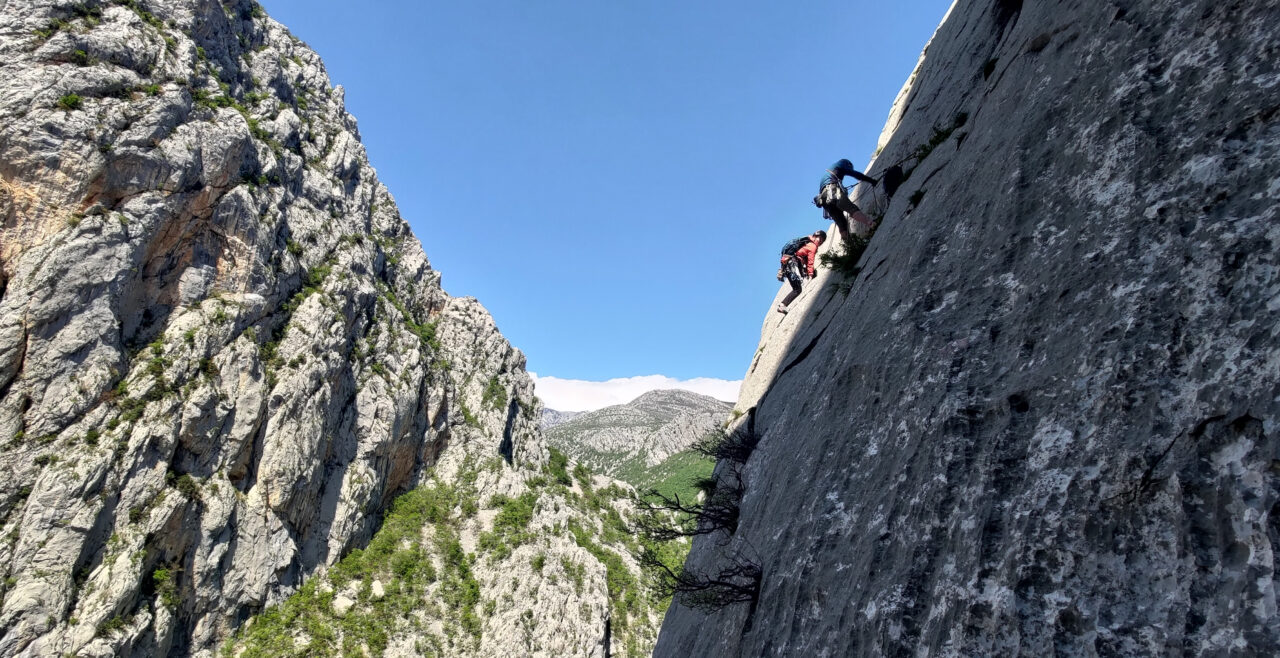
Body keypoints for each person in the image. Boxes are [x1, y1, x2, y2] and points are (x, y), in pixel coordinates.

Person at [815, 158, 877, 240]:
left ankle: (849, 247)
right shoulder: (840, 165)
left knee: (842, 224)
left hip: (825, 201)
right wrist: (871, 180)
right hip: (832, 191)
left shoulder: (829, 173)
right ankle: (872, 224)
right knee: (852, 208)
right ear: (847, 164)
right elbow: (856, 175)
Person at [776, 230, 826, 313]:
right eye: (820, 239)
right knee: (798, 289)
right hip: (793, 263)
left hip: (788, 262)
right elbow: (810, 260)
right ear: (815, 236)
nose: (820, 242)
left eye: (821, 241)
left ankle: (782, 305)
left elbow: (803, 259)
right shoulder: (812, 246)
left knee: (797, 289)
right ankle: (782, 306)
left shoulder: (805, 241)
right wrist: (810, 274)